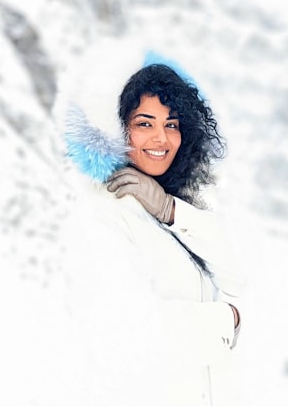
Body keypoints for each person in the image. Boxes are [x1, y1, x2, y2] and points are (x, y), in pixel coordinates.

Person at [56, 55, 245, 406]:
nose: (161, 138)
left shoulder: (176, 202)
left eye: (172, 124)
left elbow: (238, 274)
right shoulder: (101, 210)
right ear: (117, 127)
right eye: (145, 123)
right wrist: (229, 318)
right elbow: (130, 333)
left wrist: (169, 210)